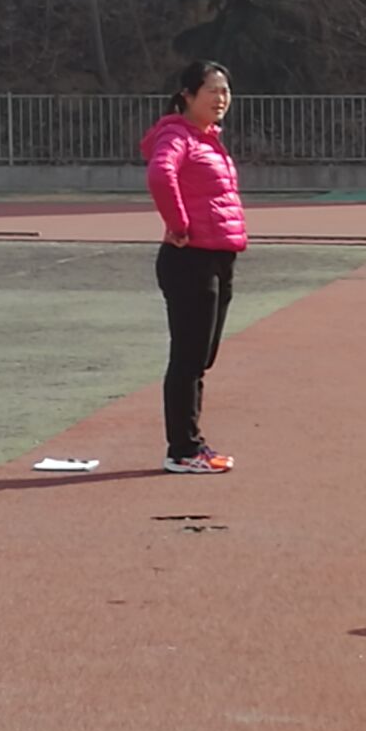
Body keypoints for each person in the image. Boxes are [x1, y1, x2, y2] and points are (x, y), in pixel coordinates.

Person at [142, 61, 248, 475]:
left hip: (219, 257)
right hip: (190, 260)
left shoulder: (208, 140)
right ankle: (184, 449)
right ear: (188, 96)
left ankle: (189, 445)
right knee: (188, 359)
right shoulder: (177, 135)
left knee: (202, 356)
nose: (221, 99)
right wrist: (179, 224)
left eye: (225, 91)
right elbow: (160, 174)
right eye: (212, 91)